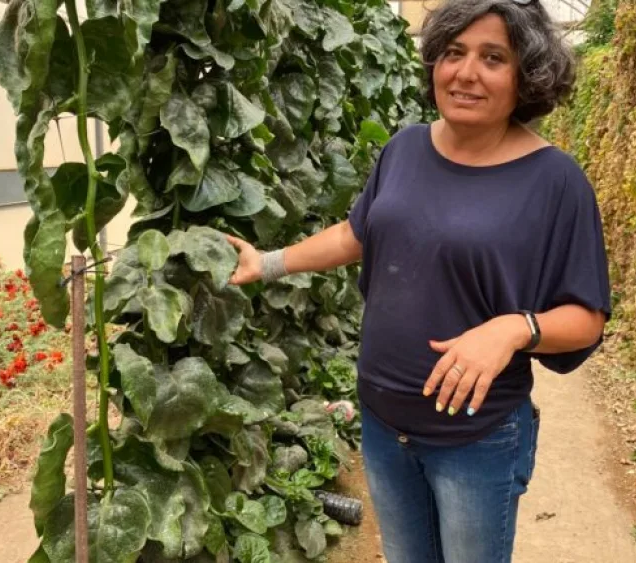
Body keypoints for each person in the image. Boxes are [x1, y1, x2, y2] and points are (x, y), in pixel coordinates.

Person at [226, 0, 611, 560]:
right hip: (383, 425)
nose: (466, 72)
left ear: (525, 75)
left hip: (475, 440)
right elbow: (357, 234)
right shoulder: (405, 148)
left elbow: (586, 319)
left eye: (493, 57)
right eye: (453, 52)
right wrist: (270, 262)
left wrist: (511, 329)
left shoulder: (555, 181)